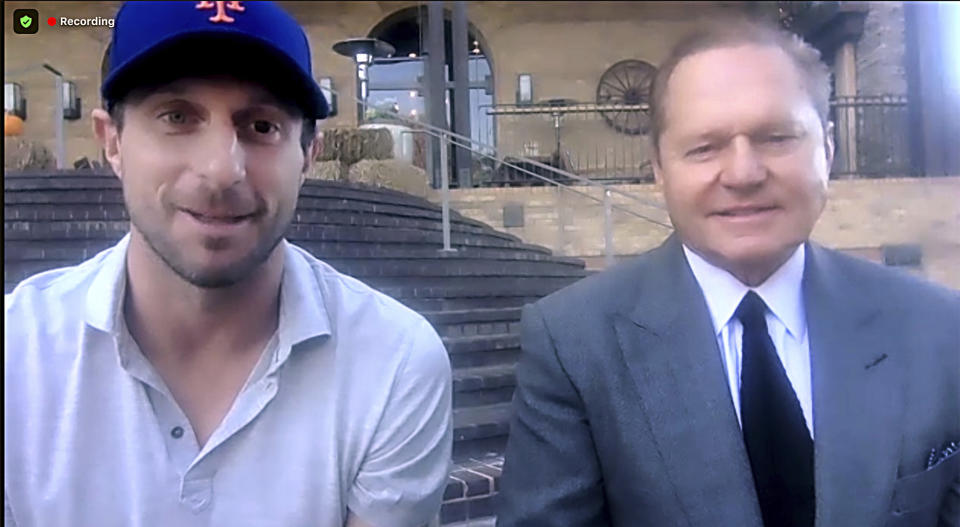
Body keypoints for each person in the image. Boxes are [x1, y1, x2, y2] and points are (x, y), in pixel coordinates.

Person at [496, 17, 959, 527]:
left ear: (827, 150)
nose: (743, 174)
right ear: (659, 169)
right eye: (704, 147)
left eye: (777, 137)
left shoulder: (938, 327)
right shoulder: (573, 344)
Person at [4, 2, 452, 526]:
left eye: (261, 126)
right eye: (176, 117)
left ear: (308, 156)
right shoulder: (17, 354)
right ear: (113, 143)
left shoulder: (393, 364)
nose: (221, 170)